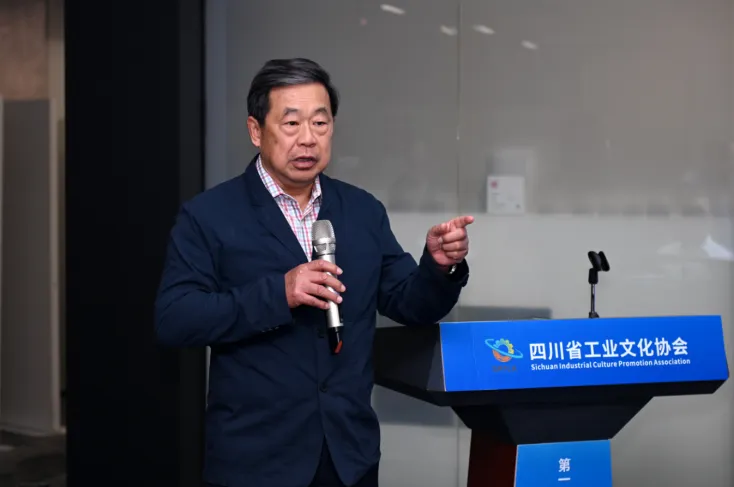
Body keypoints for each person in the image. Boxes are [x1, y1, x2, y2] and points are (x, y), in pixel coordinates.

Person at [155, 58, 473, 487]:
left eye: (320, 123)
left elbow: (411, 303)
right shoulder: (209, 215)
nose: (308, 138)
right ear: (255, 131)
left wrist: (438, 265)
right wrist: (280, 293)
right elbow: (175, 318)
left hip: (348, 459)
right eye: (291, 123)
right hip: (256, 462)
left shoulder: (361, 211)